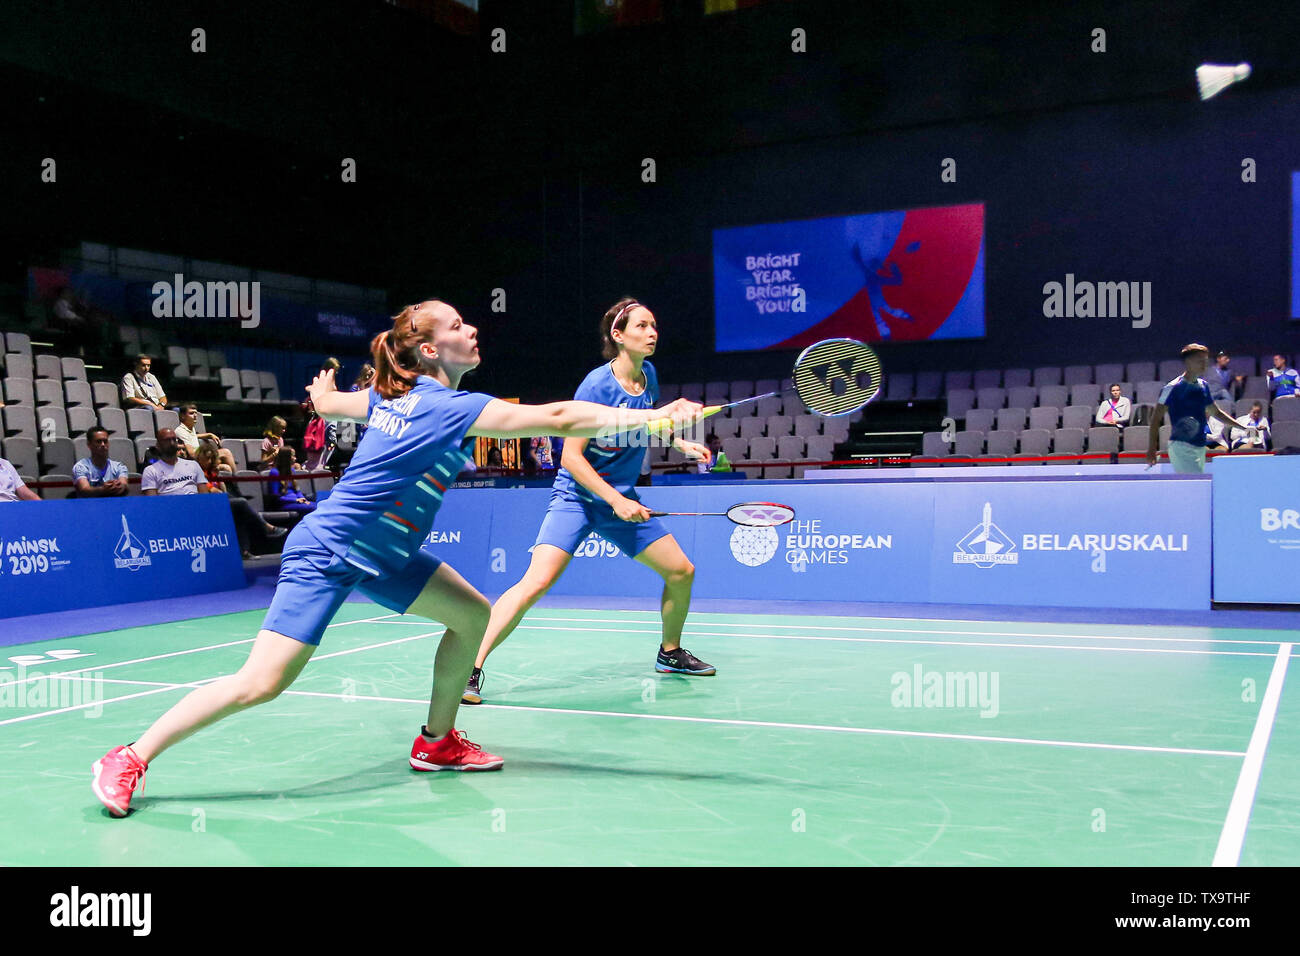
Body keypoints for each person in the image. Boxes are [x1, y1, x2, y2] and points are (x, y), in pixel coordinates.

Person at [90, 299, 703, 816]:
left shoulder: (394, 398)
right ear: (432, 351)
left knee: (471, 616)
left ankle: (437, 742)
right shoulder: (447, 405)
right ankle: (130, 756)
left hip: (391, 553)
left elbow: (340, 408)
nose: (473, 329)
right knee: (262, 683)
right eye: (459, 326)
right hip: (330, 549)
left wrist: (325, 397)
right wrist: (652, 420)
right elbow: (558, 416)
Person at [463, 298, 714, 706]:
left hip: (622, 500)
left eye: (654, 326)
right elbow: (571, 456)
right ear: (618, 335)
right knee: (535, 583)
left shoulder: (648, 374)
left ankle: (670, 653)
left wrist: (678, 442)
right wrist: (614, 499)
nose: (653, 333)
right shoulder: (596, 385)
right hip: (578, 498)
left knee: (681, 571)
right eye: (643, 326)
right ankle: (469, 668)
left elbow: (648, 419)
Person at [1146, 343, 1242, 474]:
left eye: (1206, 361)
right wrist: (1152, 448)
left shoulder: (1204, 386)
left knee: (1191, 488)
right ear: (1188, 362)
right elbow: (1155, 419)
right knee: (1193, 484)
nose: (1204, 364)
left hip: (1200, 446)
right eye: (1200, 361)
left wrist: (1242, 427)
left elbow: (1217, 413)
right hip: (1181, 446)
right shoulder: (1171, 388)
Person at [175, 405, 237, 473]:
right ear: (183, 416)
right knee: (226, 452)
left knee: (226, 468)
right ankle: (239, 480)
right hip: (195, 462)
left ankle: (234, 482)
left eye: (196, 413)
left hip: (201, 459)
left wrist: (209, 435)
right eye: (191, 413)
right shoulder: (180, 431)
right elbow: (192, 454)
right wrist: (210, 455)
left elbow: (193, 436)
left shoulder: (190, 429)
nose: (195, 415)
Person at [72, 427, 129, 497]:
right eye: (98, 441)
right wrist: (103, 489)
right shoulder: (81, 466)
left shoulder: (119, 466)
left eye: (105, 441)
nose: (103, 445)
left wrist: (119, 486)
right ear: (89, 445)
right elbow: (84, 490)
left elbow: (124, 484)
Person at [267, 447, 316, 515]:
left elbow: (297, 491)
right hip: (284, 504)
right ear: (286, 458)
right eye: (293, 456)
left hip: (296, 502)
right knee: (313, 508)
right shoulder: (274, 472)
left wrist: (303, 499)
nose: (295, 458)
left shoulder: (292, 471)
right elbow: (276, 497)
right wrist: (295, 500)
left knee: (318, 506)